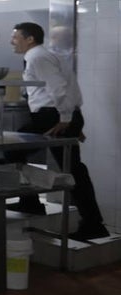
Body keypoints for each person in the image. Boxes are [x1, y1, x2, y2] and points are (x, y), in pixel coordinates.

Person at [8, 22, 107, 240]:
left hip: (51, 116)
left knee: (13, 152)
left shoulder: (37, 56)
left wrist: (66, 118)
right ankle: (32, 203)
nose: (12, 41)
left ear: (30, 39)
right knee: (71, 167)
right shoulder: (48, 55)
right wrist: (73, 120)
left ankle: (92, 223)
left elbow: (58, 88)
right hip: (58, 115)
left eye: (15, 37)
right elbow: (71, 86)